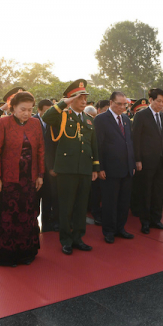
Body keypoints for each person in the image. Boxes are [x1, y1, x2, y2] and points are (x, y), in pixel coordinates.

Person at [42, 79, 99, 255]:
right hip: (66, 169)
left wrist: (95, 167)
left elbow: (93, 145)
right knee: (66, 207)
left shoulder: (89, 120)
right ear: (71, 99)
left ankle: (78, 238)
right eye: (80, 98)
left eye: (85, 98)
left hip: (84, 168)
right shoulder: (62, 115)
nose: (84, 101)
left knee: (81, 206)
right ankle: (66, 240)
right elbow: (46, 117)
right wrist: (63, 103)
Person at [0, 91, 44, 266]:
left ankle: (27, 252)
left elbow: (41, 151)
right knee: (9, 218)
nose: (27, 113)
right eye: (22, 109)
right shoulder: (3, 122)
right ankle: (8, 255)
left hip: (29, 179)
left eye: (30, 109)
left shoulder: (35, 124)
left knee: (28, 216)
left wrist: (40, 175)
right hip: (9, 180)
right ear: (13, 108)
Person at [94, 91, 135, 244]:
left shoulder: (126, 119)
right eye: (118, 104)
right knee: (110, 202)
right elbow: (98, 145)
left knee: (124, 202)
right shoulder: (101, 119)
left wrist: (133, 163)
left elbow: (129, 143)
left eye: (124, 104)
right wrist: (100, 168)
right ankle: (109, 231)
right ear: (111, 102)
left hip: (126, 168)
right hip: (109, 169)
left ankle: (120, 228)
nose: (122, 107)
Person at [132, 88, 163, 234]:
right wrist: (137, 160)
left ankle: (156, 220)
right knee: (146, 193)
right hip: (146, 162)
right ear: (151, 100)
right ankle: (145, 222)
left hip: (161, 162)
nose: (161, 104)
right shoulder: (141, 116)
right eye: (159, 101)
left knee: (158, 193)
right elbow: (135, 139)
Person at [34, 99, 59, 232]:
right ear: (39, 110)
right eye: (45, 111)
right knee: (35, 196)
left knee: (50, 195)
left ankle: (48, 221)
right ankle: (34, 222)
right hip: (35, 168)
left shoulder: (54, 123)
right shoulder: (32, 121)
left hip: (50, 168)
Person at [88, 100, 110, 225]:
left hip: (108, 161)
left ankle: (102, 212)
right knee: (96, 189)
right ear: (99, 109)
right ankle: (96, 213)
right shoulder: (96, 122)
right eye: (106, 109)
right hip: (96, 160)